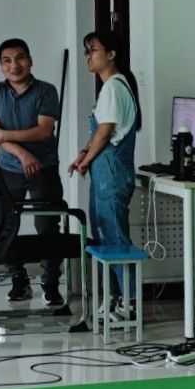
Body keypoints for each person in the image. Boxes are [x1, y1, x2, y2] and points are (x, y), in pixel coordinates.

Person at [0, 38, 66, 306]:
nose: (14, 65)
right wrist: (22, 153)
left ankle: (51, 283)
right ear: (1, 66)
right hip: (8, 170)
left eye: (20, 58)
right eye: (7, 61)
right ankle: (18, 278)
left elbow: (44, 132)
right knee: (4, 225)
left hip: (44, 169)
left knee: (47, 226)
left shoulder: (46, 91)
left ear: (30, 60)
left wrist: (6, 136)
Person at [68, 30, 141, 319]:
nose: (88, 56)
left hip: (112, 173)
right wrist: (84, 154)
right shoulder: (109, 87)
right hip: (103, 174)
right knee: (102, 238)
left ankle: (129, 302)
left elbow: (106, 132)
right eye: (86, 51)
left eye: (94, 50)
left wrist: (86, 160)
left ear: (111, 55)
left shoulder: (114, 87)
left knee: (115, 238)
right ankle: (111, 297)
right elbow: (98, 132)